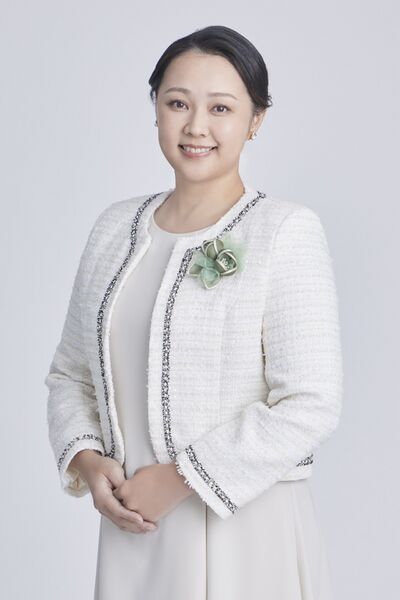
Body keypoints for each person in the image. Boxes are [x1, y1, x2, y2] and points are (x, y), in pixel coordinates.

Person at [45, 25, 343, 599]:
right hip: (134, 526)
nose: (196, 126)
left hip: (246, 528)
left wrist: (181, 478)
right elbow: (70, 373)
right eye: (177, 103)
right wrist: (86, 459)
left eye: (220, 108)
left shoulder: (284, 231)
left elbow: (311, 402)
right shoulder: (113, 229)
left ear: (256, 119)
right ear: (155, 107)